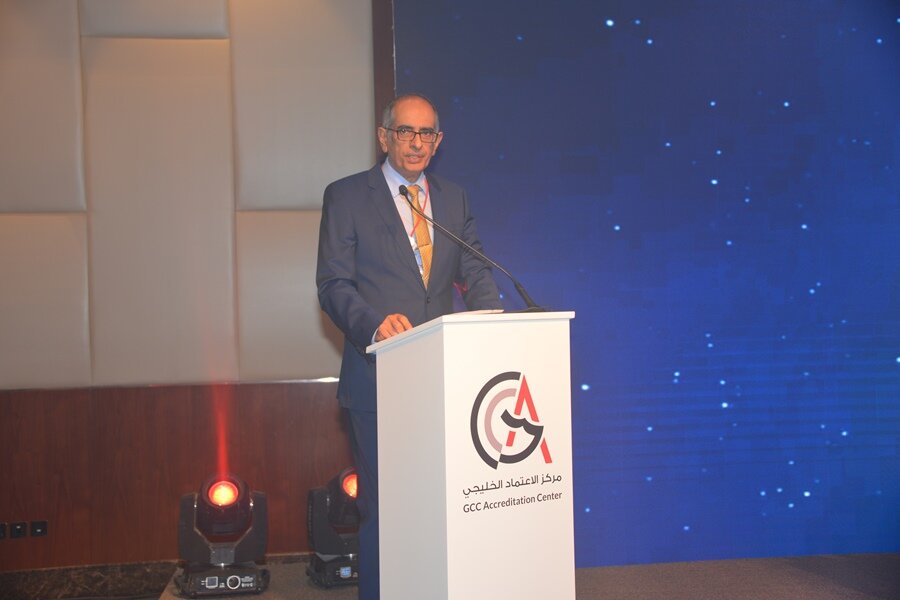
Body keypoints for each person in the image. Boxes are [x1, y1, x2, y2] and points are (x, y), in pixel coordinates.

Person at [316, 94, 502, 599]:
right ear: (384, 137)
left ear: (438, 142)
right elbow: (333, 284)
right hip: (379, 380)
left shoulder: (454, 199)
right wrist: (374, 325)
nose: (416, 143)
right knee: (387, 511)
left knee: (439, 506)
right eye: (405, 131)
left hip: (444, 382)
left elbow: (474, 269)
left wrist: (492, 322)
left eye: (426, 134)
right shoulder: (347, 196)